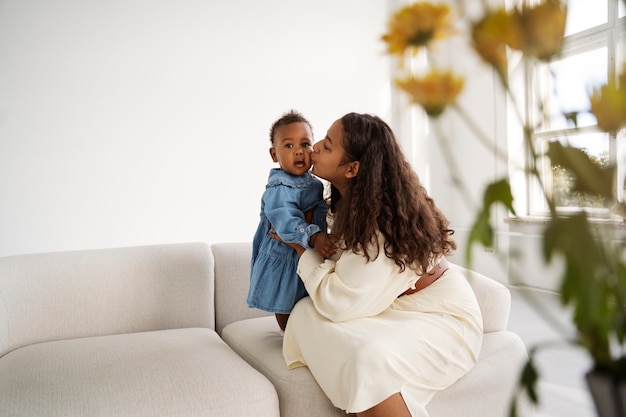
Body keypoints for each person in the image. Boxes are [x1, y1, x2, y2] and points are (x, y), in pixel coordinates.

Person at [276, 112, 484, 417]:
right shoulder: (350, 204)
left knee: (365, 357)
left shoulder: (382, 224)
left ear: (352, 168)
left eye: (328, 146)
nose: (315, 147)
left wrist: (300, 247)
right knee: (305, 313)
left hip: (440, 317)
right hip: (389, 308)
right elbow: (342, 272)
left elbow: (338, 303)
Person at [247, 110, 335, 331]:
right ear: (274, 155)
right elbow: (285, 220)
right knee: (286, 301)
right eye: (288, 146)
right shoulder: (279, 188)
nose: (298, 151)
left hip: (307, 254)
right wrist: (314, 236)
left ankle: (303, 334)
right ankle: (288, 334)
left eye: (305, 144)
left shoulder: (314, 183)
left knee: (309, 299)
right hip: (283, 255)